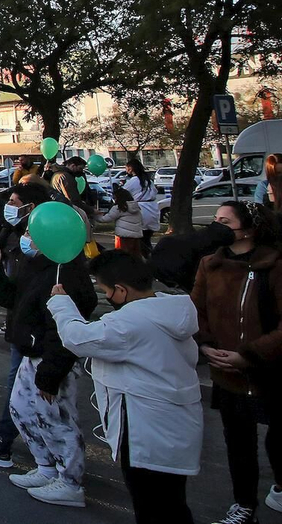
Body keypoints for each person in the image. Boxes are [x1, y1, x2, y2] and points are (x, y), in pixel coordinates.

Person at [49, 250, 201, 524]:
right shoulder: (170, 309)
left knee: (153, 506)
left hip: (146, 431)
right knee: (172, 503)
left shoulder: (130, 322)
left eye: (105, 290)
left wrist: (61, 304)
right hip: (174, 428)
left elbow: (77, 338)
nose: (106, 297)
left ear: (121, 290)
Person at [0, 217, 98, 508]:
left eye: (31, 232)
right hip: (30, 354)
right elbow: (13, 299)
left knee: (57, 420)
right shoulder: (35, 265)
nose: (26, 236)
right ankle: (46, 467)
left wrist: (50, 373)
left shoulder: (65, 275)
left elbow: (63, 330)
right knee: (22, 410)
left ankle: (70, 482)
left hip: (52, 359)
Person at [190, 200, 282, 524]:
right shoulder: (208, 264)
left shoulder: (275, 264)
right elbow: (196, 311)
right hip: (227, 374)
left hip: (270, 370)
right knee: (239, 443)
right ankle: (244, 506)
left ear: (249, 229)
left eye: (224, 222)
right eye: (214, 220)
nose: (216, 228)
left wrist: (250, 355)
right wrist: (205, 346)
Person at [99, 185, 146, 259]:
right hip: (136, 234)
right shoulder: (136, 207)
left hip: (125, 235)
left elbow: (105, 219)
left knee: (124, 255)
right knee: (136, 254)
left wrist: (95, 215)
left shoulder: (119, 208)